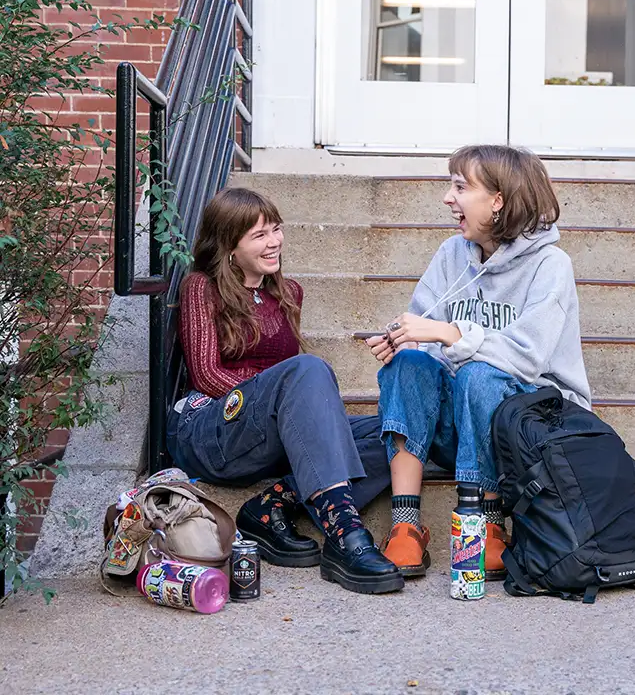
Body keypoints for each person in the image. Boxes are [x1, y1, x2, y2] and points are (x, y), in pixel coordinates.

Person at [366, 145, 591, 581]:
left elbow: (527, 358)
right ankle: (406, 527)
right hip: (466, 425)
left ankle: (488, 523)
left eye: (459, 187)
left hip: (531, 430)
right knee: (409, 365)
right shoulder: (452, 254)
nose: (448, 198)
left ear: (498, 200)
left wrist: (452, 333)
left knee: (481, 374)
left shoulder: (551, 264)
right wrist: (405, 343)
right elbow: (427, 335)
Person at [167, 187, 403, 595]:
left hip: (266, 432)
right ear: (228, 246)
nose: (274, 241)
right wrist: (274, 398)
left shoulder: (288, 292)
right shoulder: (200, 287)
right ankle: (345, 532)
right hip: (210, 430)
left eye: (276, 229)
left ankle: (273, 504)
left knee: (402, 429)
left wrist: (294, 411)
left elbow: (289, 391)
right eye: (259, 235)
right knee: (308, 369)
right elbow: (206, 375)